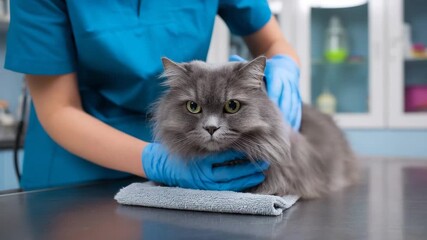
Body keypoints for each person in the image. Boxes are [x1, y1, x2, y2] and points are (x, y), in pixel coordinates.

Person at [5, 0, 302, 191]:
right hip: (74, 171)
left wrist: (284, 69)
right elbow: (58, 110)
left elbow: (274, 42)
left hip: (192, 148)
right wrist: (155, 162)